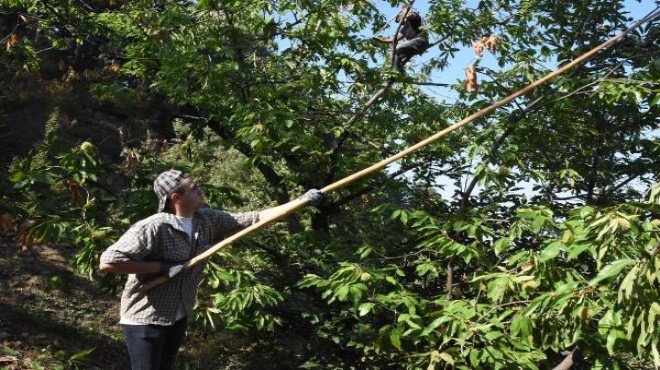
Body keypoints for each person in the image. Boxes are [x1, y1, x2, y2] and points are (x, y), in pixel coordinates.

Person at [99, 169, 323, 370]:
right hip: (145, 318)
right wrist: (162, 267)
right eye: (194, 188)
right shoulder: (154, 226)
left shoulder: (205, 219)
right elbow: (109, 262)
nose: (200, 190)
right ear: (176, 197)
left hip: (178, 312)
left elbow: (254, 218)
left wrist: (300, 202)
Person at [375, 7, 429, 72]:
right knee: (396, 54)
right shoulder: (404, 29)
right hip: (414, 48)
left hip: (420, 41)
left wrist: (405, 10)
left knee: (395, 50)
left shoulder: (414, 19)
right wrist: (380, 40)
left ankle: (394, 71)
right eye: (398, 21)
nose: (399, 22)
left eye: (399, 19)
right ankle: (400, 72)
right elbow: (394, 39)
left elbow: (410, 15)